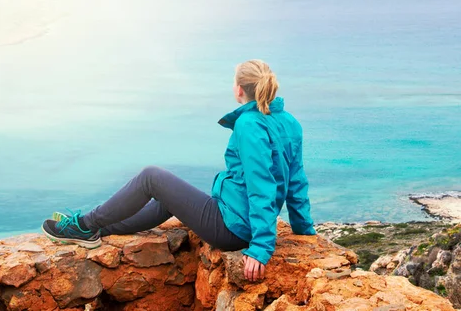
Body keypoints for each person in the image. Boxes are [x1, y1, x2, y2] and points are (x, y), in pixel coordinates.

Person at [41, 59, 315, 281]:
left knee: (152, 177)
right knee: (167, 200)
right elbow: (297, 184)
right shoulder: (290, 122)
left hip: (233, 228)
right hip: (235, 216)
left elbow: (261, 187)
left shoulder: (250, 125)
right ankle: (101, 228)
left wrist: (261, 248)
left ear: (240, 90)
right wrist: (304, 229)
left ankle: (84, 226)